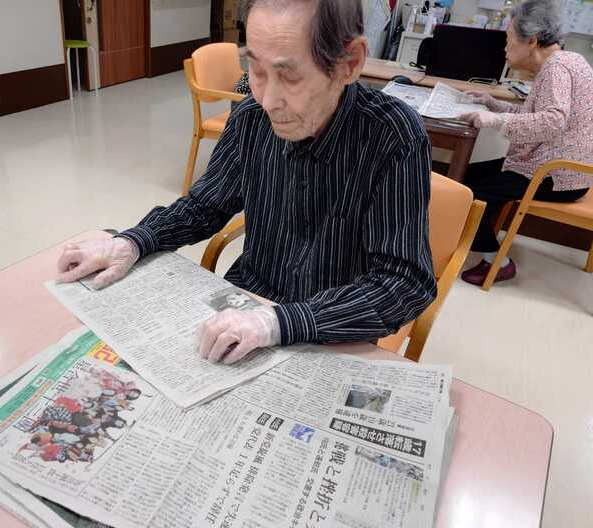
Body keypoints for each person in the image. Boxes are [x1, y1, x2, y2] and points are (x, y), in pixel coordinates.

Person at [57, 0, 436, 364]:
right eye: (255, 70)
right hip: (246, 301)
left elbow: (404, 282)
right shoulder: (251, 118)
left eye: (290, 76)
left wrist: (280, 322)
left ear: (349, 63)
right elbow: (203, 207)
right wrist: (132, 242)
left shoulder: (392, 135)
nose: (268, 100)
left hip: (331, 327)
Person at [458, 0, 593, 286]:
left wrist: (496, 121)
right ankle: (476, 243)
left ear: (531, 41)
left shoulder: (556, 68)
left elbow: (553, 120)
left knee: (471, 190)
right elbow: (537, 115)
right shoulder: (568, 60)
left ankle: (497, 263)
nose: (505, 48)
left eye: (509, 39)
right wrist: (494, 105)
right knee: (469, 176)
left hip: (556, 175)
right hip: (564, 170)